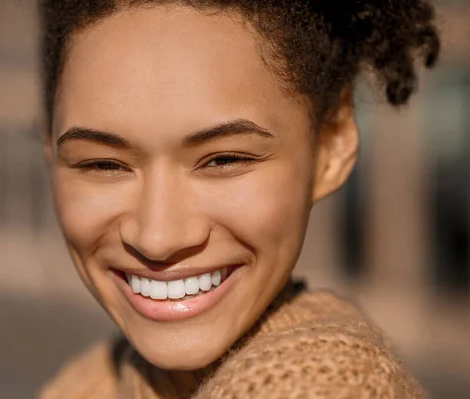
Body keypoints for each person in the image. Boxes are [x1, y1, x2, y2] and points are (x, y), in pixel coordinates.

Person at [37, 0, 440, 397]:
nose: (157, 237)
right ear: (50, 155)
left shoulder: (324, 387)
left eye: (224, 159)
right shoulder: (88, 384)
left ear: (331, 145)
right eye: (103, 165)